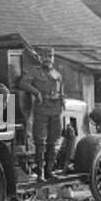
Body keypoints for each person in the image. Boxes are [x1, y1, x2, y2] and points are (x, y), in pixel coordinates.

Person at [18, 48, 65, 181]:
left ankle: (49, 170)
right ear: (40, 57)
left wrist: (62, 101)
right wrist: (36, 92)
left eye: (50, 56)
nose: (47, 59)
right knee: (40, 141)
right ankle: (40, 173)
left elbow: (61, 91)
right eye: (45, 56)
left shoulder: (57, 74)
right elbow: (23, 83)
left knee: (53, 141)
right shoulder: (35, 72)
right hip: (42, 109)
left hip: (56, 110)